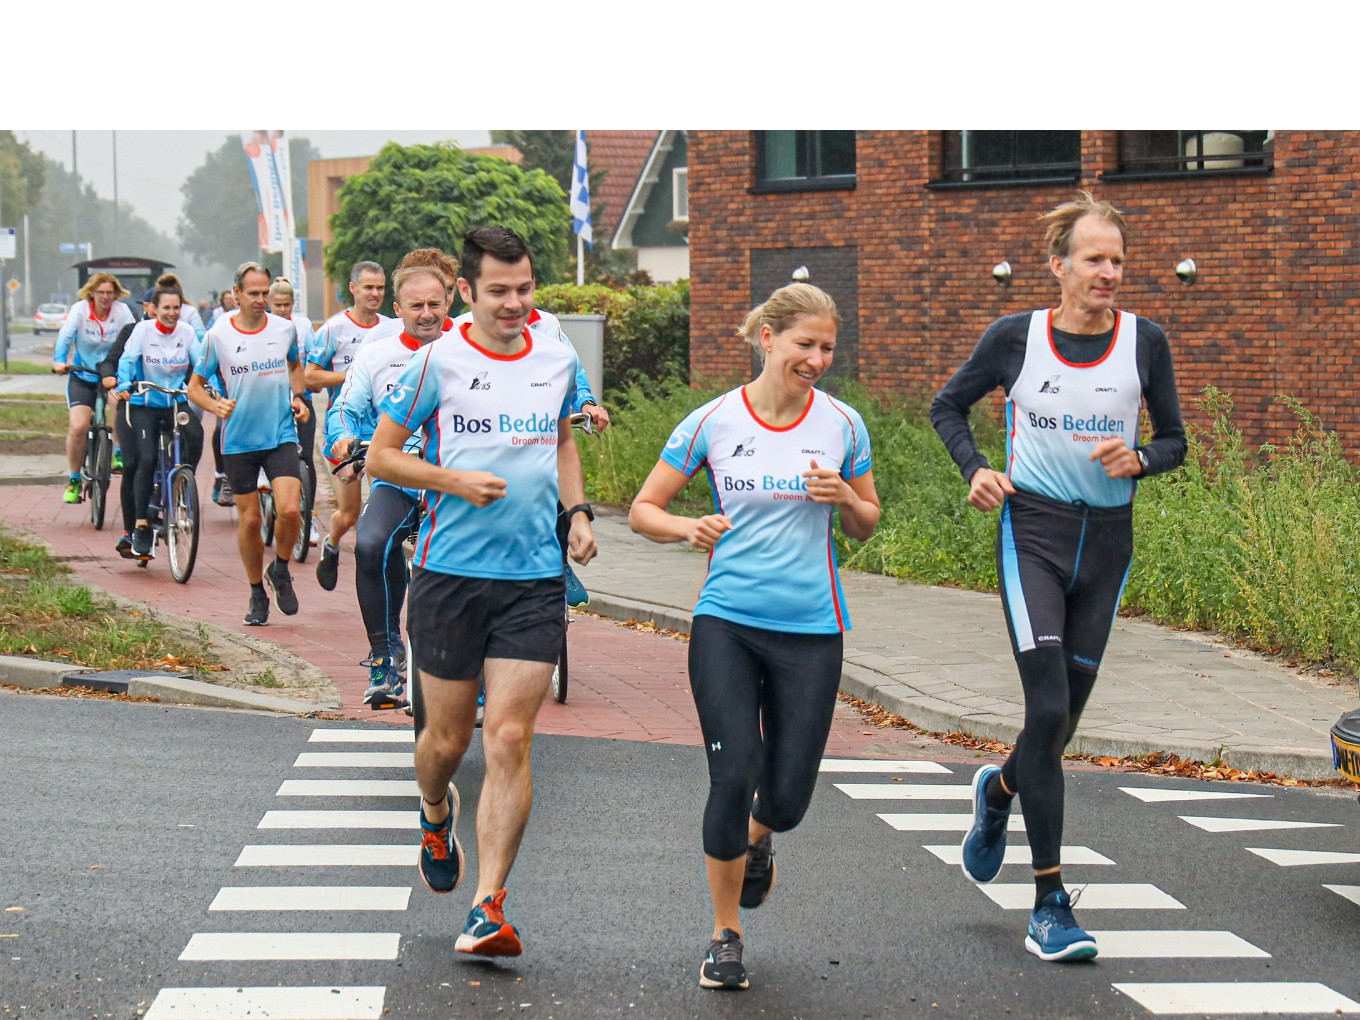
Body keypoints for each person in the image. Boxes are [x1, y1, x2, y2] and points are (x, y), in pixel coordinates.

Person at [931, 192, 1187, 963]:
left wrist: (1141, 457)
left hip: (1108, 545)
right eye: (1093, 259)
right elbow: (948, 406)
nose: (1108, 273)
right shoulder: (1017, 339)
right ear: (1059, 266)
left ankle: (998, 791)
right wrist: (976, 469)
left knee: (1060, 724)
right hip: (1034, 534)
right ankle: (1049, 904)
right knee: (1045, 708)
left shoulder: (1146, 342)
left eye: (1117, 261)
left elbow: (1175, 439)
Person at [629, 282, 880, 992]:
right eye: (806, 344)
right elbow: (646, 509)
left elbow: (868, 521)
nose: (818, 359)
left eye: (828, 347)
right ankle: (724, 934)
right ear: (766, 339)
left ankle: (762, 840)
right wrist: (688, 527)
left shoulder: (843, 425)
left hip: (812, 627)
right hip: (727, 622)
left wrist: (847, 500)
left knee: (788, 798)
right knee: (733, 770)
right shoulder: (712, 421)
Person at [366, 226, 596, 958]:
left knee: (511, 736)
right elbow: (383, 455)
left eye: (524, 290)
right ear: (467, 292)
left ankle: (488, 906)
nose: (514, 304)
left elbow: (561, 440)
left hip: (532, 578)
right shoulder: (439, 360)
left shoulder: (556, 356)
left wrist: (578, 513)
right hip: (449, 575)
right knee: (446, 740)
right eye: (498, 292)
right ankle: (436, 810)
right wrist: (452, 480)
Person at [326, 249, 460, 708]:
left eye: (435, 304)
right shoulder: (376, 354)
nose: (427, 314)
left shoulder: (469, 347)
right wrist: (343, 437)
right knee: (369, 544)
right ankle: (385, 656)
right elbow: (345, 408)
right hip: (398, 478)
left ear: (449, 303)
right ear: (396, 309)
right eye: (415, 306)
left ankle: (476, 667)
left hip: (456, 483)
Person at [188, 261, 311, 625]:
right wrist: (215, 405)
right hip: (239, 440)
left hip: (279, 434)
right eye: (253, 293)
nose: (261, 300)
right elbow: (195, 387)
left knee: (290, 510)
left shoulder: (284, 329)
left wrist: (300, 398)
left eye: (265, 293)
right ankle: (257, 591)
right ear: (236, 294)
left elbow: (294, 366)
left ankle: (282, 569)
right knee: (251, 520)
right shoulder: (218, 337)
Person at [307, 260, 390, 591]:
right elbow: (310, 377)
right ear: (353, 288)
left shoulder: (390, 329)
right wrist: (356, 375)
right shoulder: (333, 330)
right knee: (350, 512)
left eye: (381, 287)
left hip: (385, 431)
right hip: (346, 430)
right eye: (368, 287)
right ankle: (331, 543)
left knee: (390, 502)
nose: (375, 293)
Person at [112, 286, 205, 559]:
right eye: (166, 308)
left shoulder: (186, 333)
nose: (172, 313)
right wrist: (125, 383)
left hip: (175, 401)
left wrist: (212, 385)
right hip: (145, 402)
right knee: (147, 458)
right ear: (154, 308)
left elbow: (201, 364)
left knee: (196, 435)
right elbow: (128, 359)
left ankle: (183, 482)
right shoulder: (143, 331)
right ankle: (141, 526)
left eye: (176, 308)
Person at [52, 272, 135, 504]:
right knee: (78, 426)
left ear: (115, 295)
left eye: (110, 293)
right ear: (92, 294)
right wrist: (60, 361)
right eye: (101, 293)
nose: (105, 297)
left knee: (121, 407)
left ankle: (118, 452)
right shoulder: (80, 310)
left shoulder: (122, 313)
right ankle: (74, 479)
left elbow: (133, 339)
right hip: (83, 375)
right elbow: (65, 336)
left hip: (111, 376)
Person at [268, 278, 320, 546]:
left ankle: (307, 518)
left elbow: (311, 359)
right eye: (277, 305)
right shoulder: (263, 326)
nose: (282, 310)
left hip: (300, 399)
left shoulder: (303, 325)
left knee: (306, 458)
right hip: (271, 401)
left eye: (287, 305)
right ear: (269, 304)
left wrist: (312, 383)